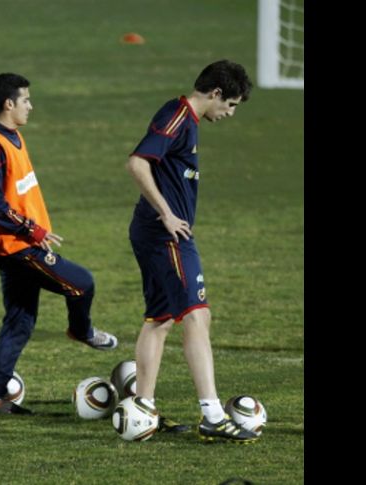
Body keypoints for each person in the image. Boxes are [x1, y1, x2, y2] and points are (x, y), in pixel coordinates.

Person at [126, 59, 258, 442]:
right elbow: (137, 163)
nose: (229, 113)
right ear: (215, 94)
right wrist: (166, 213)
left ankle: (142, 408)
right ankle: (212, 414)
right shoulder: (178, 116)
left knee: (160, 318)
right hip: (165, 234)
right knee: (197, 315)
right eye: (230, 105)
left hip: (154, 231)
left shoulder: (186, 120)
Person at [0, 73, 118, 415]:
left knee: (20, 320)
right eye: (26, 100)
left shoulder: (11, 137)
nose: (30, 106)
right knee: (81, 285)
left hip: (20, 245)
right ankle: (82, 331)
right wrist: (33, 231)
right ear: (9, 104)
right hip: (16, 248)